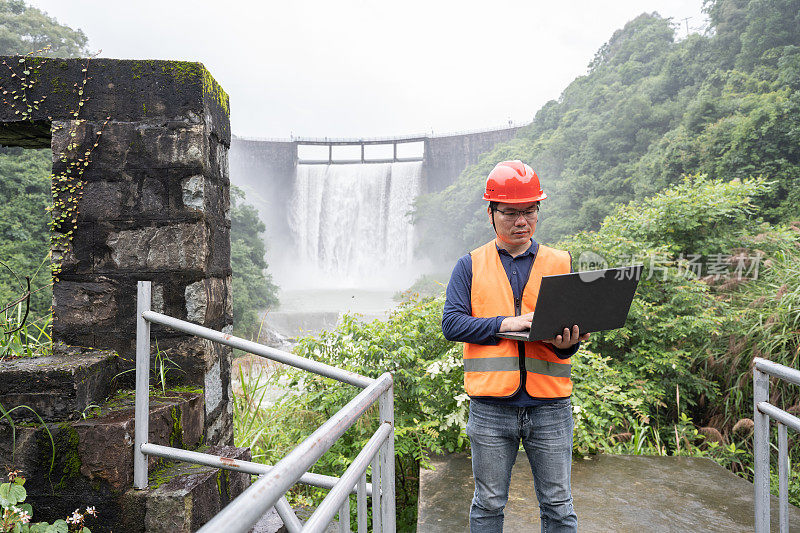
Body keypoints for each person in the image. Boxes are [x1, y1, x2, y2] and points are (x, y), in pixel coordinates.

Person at [442, 160, 588, 533]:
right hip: (491, 408)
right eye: (510, 212)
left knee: (559, 505)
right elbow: (452, 322)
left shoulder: (561, 262)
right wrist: (505, 325)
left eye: (529, 211)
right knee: (488, 504)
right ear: (491, 213)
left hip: (550, 406)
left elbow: (565, 345)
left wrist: (568, 344)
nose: (521, 221)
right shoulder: (470, 265)